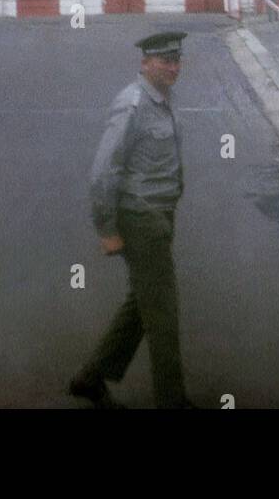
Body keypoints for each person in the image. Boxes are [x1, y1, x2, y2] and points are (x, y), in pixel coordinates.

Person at [69, 31, 192, 410]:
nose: (172, 66)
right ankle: (172, 402)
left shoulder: (163, 100)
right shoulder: (133, 105)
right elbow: (104, 171)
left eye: (176, 59)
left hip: (160, 215)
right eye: (163, 60)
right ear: (145, 63)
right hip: (141, 219)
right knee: (162, 313)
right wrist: (106, 229)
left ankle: (90, 379)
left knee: (143, 303)